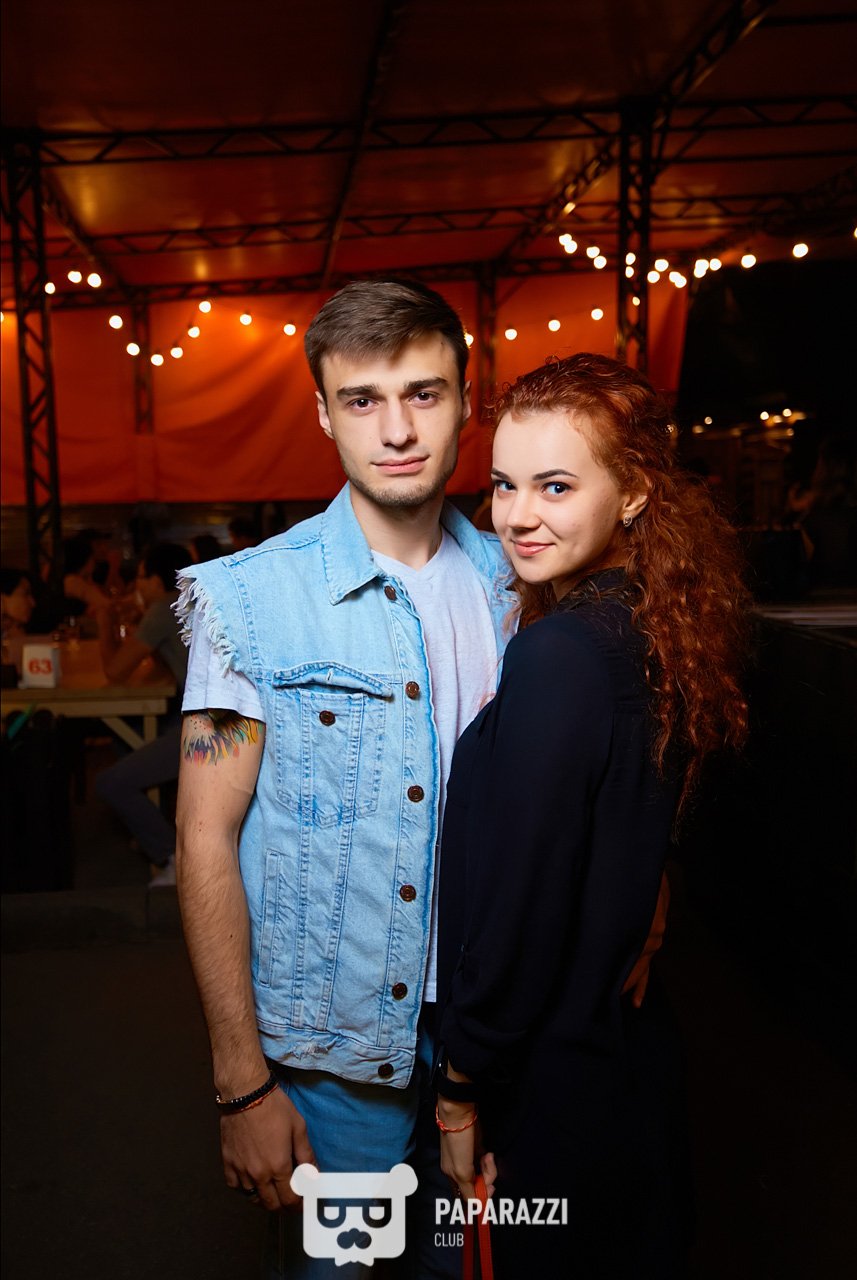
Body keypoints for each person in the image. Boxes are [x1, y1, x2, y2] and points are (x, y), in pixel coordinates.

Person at [174, 283, 663, 1279]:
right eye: (361, 400)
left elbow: (594, 780)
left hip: (493, 1044)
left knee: (472, 1265)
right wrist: (240, 1082)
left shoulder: (525, 579)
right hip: (332, 1062)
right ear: (322, 413)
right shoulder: (251, 600)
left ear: (465, 402)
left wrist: (645, 905)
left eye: (423, 394)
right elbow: (202, 838)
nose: (395, 430)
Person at [434, 354, 750, 1278]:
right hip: (624, 1051)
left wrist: (460, 1082)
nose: (516, 515)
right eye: (503, 484)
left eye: (556, 486)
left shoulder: (564, 654)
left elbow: (521, 903)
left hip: (554, 1072)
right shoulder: (652, 625)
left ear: (634, 493)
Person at [94, 542, 191, 886]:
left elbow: (115, 671)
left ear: (156, 581)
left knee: (111, 782)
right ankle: (153, 825)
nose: (137, 585)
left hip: (209, 727)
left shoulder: (164, 608)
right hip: (224, 717)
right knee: (127, 734)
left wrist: (104, 622)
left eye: (140, 577)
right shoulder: (190, 601)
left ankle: (172, 857)